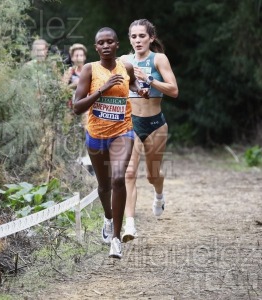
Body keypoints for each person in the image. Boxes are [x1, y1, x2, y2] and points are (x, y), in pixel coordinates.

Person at [73, 27, 149, 258]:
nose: (105, 46)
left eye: (110, 42)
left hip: (122, 131)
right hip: (96, 135)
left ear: (117, 45)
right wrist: (103, 89)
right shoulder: (89, 70)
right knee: (104, 185)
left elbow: (132, 83)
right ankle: (107, 218)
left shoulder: (125, 66)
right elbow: (77, 107)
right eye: (101, 43)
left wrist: (141, 90)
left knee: (118, 178)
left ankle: (116, 238)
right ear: (96, 47)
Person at [120, 19, 179, 243]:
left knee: (152, 175)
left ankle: (159, 196)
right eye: (133, 37)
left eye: (142, 36)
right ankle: (130, 226)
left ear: (151, 38)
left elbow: (174, 90)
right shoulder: (125, 61)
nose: (137, 40)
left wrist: (150, 79)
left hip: (155, 124)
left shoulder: (159, 59)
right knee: (129, 173)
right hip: (132, 123)